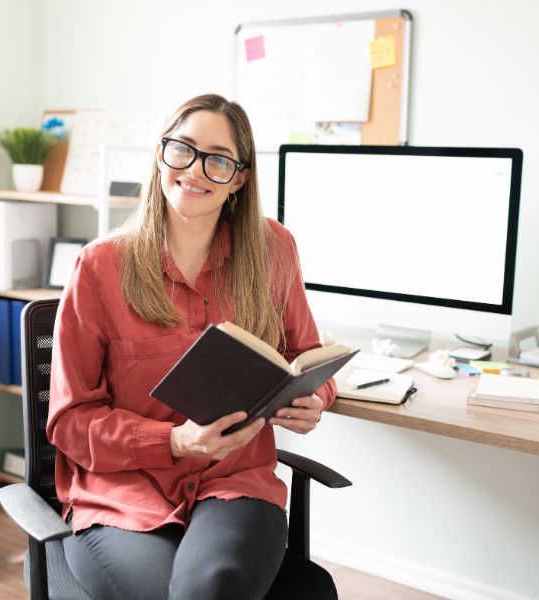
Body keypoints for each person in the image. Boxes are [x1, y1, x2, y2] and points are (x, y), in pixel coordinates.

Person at [47, 93, 337, 600]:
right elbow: (70, 422)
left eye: (219, 159)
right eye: (183, 149)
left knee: (216, 584)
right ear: (161, 153)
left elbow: (306, 353)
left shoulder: (274, 250)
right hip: (124, 494)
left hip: (235, 481)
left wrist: (317, 397)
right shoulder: (100, 267)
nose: (195, 170)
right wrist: (175, 441)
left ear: (240, 178)